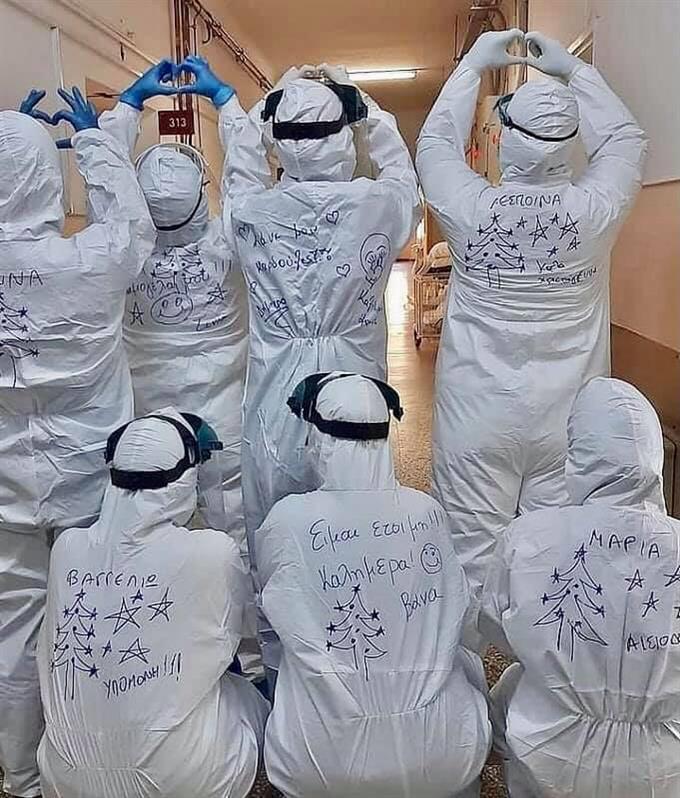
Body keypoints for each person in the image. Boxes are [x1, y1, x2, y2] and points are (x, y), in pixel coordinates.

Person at [416, 29, 648, 625]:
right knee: (557, 562)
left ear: (502, 139)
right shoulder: (595, 210)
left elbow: (435, 143)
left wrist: (471, 66)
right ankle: (541, 676)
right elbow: (626, 138)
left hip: (477, 413)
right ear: (573, 144)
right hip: (567, 419)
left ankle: (470, 677)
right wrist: (576, 71)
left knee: (467, 562)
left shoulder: (470, 207)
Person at [193, 60, 421, 546]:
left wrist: (269, 103)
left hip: (276, 384)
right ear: (344, 138)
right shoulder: (377, 204)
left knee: (273, 516)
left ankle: (279, 597)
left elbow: (240, 168)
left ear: (278, 143)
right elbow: (404, 176)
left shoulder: (250, 211)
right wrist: (362, 102)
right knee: (359, 513)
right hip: (355, 377)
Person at [0, 87, 156, 797]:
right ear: (47, 178)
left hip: (5, 486)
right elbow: (130, 222)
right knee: (97, 615)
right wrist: (92, 141)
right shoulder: (92, 260)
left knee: (12, 630)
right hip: (88, 476)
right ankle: (100, 762)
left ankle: (22, 776)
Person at [256, 373, 491, 798]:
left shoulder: (287, 521)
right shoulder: (425, 512)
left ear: (318, 440)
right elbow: (466, 621)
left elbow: (273, 621)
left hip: (322, 763)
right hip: (441, 754)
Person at [37, 411, 269, 798]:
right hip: (181, 781)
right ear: (185, 481)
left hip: (65, 779)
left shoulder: (68, 547)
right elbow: (244, 634)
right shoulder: (213, 551)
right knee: (249, 697)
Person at [481, 378, 680, 798]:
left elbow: (497, 628)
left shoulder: (528, 535)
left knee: (510, 686)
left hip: (552, 755)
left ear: (578, 455)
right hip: (663, 766)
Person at [97, 59, 249, 543]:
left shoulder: (119, 248)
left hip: (147, 415)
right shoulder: (231, 242)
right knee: (233, 523)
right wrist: (224, 99)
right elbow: (246, 177)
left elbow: (106, 188)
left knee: (149, 524)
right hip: (225, 415)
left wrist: (128, 106)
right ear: (203, 193)